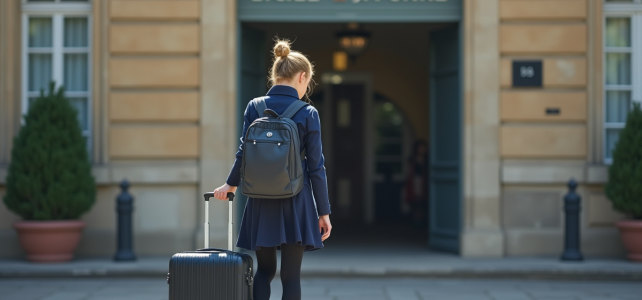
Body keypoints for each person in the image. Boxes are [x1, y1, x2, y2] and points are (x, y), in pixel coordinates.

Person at [211, 39, 332, 300]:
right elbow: (316, 167)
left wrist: (229, 185)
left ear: (275, 76)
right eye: (307, 82)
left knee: (264, 271)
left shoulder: (254, 107)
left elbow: (243, 154)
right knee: (291, 277)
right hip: (296, 199)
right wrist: (323, 211)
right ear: (302, 76)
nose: (306, 88)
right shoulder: (308, 112)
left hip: (260, 199)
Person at [403, 139, 429, 229]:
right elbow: (410, 172)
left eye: (423, 148)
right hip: (415, 181)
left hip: (425, 181)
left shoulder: (428, 159)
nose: (421, 150)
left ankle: (423, 221)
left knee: (423, 201)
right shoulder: (412, 159)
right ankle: (416, 221)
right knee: (415, 201)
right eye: (420, 148)